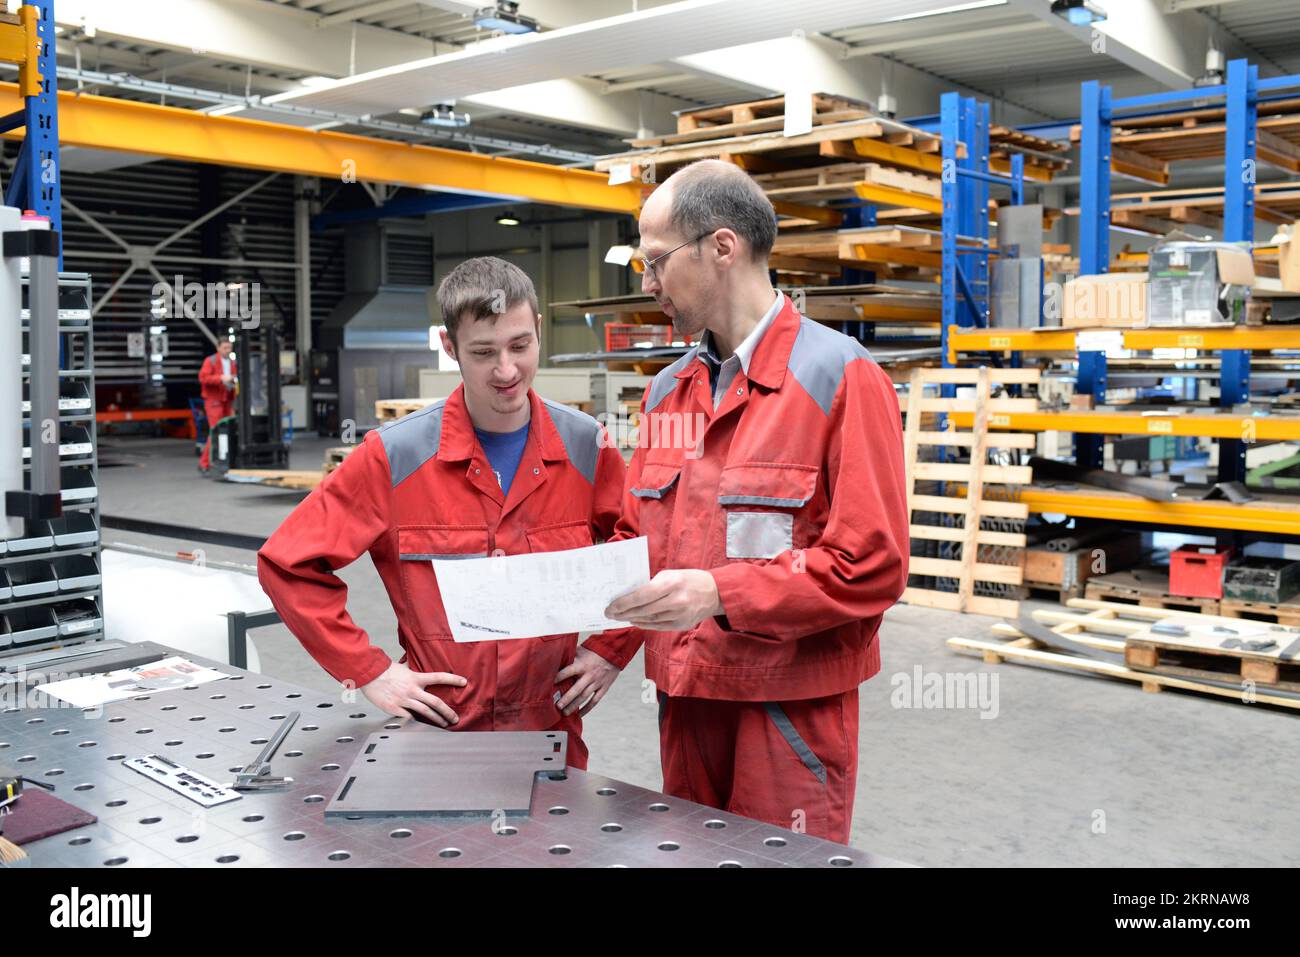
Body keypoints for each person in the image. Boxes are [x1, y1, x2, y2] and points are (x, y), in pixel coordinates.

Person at [603, 159, 910, 843]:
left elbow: (873, 565)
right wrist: (604, 647)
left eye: (655, 263)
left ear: (721, 247)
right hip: (685, 704)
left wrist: (719, 591)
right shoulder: (666, 392)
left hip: (785, 714)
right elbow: (637, 544)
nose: (648, 285)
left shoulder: (841, 377)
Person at [257, 257, 635, 768]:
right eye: (483, 353)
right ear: (449, 347)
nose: (506, 371)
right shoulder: (395, 457)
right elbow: (288, 564)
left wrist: (611, 649)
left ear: (539, 331)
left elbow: (644, 549)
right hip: (439, 732)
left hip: (552, 732)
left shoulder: (585, 448)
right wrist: (368, 671)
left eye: (520, 346)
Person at [197, 339, 237, 475]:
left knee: (228, 430)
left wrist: (232, 380)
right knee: (215, 430)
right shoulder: (211, 361)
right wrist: (220, 378)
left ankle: (223, 461)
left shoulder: (232, 363)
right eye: (225, 348)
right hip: (214, 400)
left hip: (227, 400)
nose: (228, 350)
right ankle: (204, 463)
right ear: (218, 348)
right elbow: (203, 378)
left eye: (229, 348)